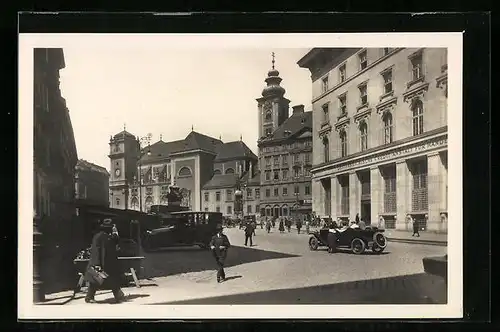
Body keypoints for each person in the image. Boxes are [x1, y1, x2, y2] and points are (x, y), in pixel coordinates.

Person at [84, 219, 126, 304]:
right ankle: (89, 297)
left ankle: (118, 295)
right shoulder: (99, 237)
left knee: (110, 279)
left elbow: (116, 242)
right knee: (96, 280)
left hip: (107, 263)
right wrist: (97, 264)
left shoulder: (108, 236)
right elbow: (96, 251)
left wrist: (115, 233)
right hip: (99, 262)